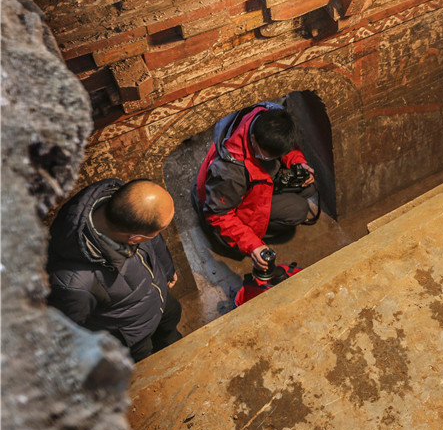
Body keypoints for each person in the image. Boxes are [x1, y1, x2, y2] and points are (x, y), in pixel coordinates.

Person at [47, 179, 181, 362]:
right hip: (132, 335)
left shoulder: (125, 206)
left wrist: (166, 267)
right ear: (134, 239)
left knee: (171, 320)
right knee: (149, 360)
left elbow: (154, 241)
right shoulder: (74, 284)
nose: (158, 235)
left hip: (157, 296)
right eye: (160, 230)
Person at [192, 102, 316, 272]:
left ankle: (261, 218)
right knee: (298, 211)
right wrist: (253, 245)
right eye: (268, 156)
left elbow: (289, 149)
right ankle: (243, 236)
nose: (275, 158)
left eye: (278, 155)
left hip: (250, 185)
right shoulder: (229, 172)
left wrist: (298, 163)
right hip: (222, 200)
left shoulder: (270, 117)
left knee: (309, 188)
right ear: (252, 139)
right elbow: (218, 215)